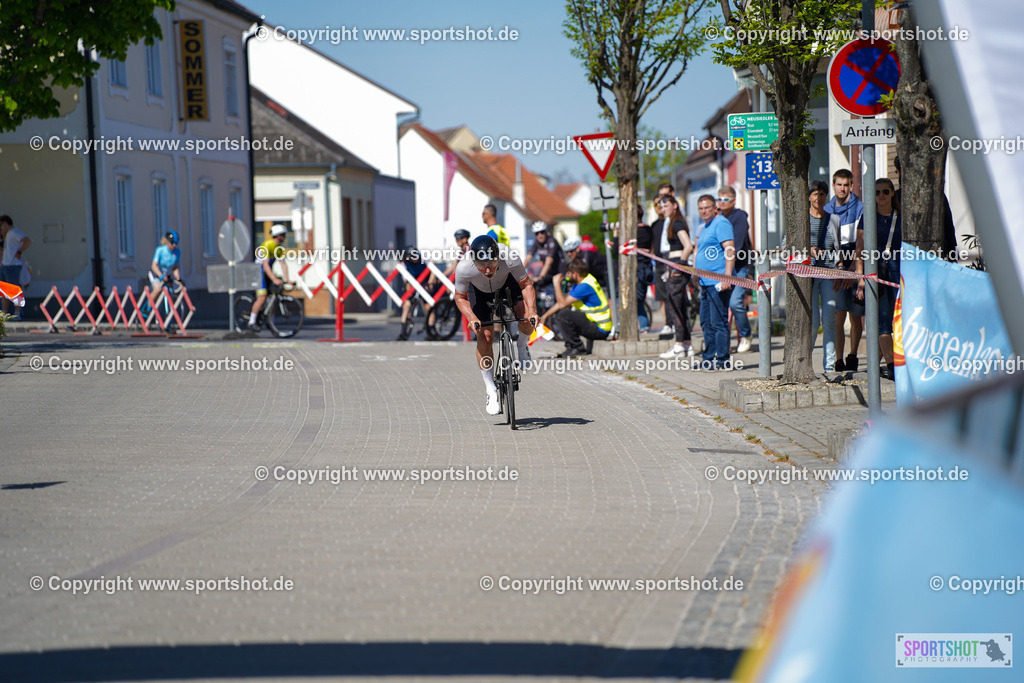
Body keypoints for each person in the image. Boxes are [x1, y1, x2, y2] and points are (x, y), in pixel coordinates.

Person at [453, 235, 538, 415]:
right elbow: (460, 297)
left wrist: (531, 310)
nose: (488, 268)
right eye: (482, 265)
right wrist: (471, 318)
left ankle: (522, 345)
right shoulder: (464, 267)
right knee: (485, 336)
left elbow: (526, 285)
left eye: (492, 262)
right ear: (473, 260)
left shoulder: (510, 257)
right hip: (479, 292)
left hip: (507, 283)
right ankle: (490, 389)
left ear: (498, 256)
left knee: (525, 318)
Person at [856, 178, 902, 380]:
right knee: (884, 322)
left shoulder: (902, 217)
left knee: (901, 320)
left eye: (885, 191)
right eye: (876, 193)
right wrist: (860, 278)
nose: (881, 196)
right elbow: (859, 250)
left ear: (893, 193)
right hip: (878, 274)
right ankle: (892, 367)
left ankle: (884, 364)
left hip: (901, 273)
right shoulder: (868, 218)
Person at [825, 169, 864, 372]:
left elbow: (861, 242)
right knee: (838, 313)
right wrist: (839, 266)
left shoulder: (860, 208)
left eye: (846, 185)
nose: (842, 188)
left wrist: (851, 269)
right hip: (836, 266)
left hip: (856, 264)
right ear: (833, 185)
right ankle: (838, 359)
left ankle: (853, 355)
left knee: (855, 315)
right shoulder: (826, 209)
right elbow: (829, 243)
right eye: (839, 184)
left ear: (851, 186)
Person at [693, 195, 735, 369]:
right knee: (706, 322)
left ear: (715, 207)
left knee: (718, 322)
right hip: (705, 282)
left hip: (718, 282)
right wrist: (696, 272)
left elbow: (730, 249)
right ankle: (709, 358)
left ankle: (722, 360)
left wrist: (727, 276)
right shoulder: (705, 226)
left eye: (707, 208)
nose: (704, 211)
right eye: (701, 209)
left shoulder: (721, 223)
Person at [540, 258, 612, 359]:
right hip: (597, 325)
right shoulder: (585, 281)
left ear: (575, 274)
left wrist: (556, 284)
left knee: (564, 314)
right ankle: (572, 347)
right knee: (563, 312)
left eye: (568, 274)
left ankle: (576, 347)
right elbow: (564, 300)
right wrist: (545, 316)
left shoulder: (584, 286)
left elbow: (562, 304)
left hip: (599, 329)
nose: (566, 276)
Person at [893, 155, 957, 261]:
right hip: (934, 253)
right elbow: (948, 227)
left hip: (904, 256)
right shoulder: (936, 194)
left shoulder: (897, 197)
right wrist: (952, 255)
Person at [655, 195, 695, 358]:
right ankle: (686, 344)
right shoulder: (672, 222)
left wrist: (679, 266)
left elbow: (688, 246)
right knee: (680, 304)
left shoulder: (677, 222)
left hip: (677, 265)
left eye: (666, 206)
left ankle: (679, 344)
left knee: (674, 305)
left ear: (675, 206)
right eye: (661, 207)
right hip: (673, 264)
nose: (663, 209)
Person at [717, 186, 754, 353]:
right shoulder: (718, 217)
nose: (722, 202)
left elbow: (736, 247)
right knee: (721, 306)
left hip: (739, 267)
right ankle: (724, 343)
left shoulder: (739, 218)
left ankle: (746, 334)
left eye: (726, 199)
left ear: (733, 200)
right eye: (719, 199)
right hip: (721, 267)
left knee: (735, 302)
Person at [808, 180, 839, 374]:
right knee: (812, 323)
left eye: (821, 194)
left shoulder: (834, 219)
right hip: (808, 274)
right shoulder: (801, 219)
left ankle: (829, 366)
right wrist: (807, 250)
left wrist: (840, 266)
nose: (818, 198)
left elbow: (838, 248)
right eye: (814, 194)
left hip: (828, 272)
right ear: (809, 196)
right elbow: (786, 245)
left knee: (829, 320)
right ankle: (805, 365)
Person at [249, 224, 288, 330]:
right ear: (278, 235)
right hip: (258, 272)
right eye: (283, 235)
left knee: (274, 297)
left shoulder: (279, 248)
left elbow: (283, 264)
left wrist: (287, 279)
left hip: (267, 272)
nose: (285, 237)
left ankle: (270, 321)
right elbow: (265, 265)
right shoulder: (267, 245)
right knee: (262, 297)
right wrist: (274, 279)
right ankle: (252, 321)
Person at [397, 249, 436, 341]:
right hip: (412, 283)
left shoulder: (424, 259)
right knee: (407, 305)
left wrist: (430, 282)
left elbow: (433, 270)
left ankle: (431, 330)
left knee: (428, 307)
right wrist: (409, 289)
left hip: (425, 283)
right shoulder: (404, 264)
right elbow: (405, 279)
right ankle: (403, 331)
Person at [651, 183, 674, 334]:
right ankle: (667, 323)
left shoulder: (673, 219)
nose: (661, 205)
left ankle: (673, 323)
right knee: (661, 295)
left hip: (671, 261)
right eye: (657, 203)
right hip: (659, 262)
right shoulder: (655, 224)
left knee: (672, 294)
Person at [1, 215, 31, 319]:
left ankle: (17, 313)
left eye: (1, 225)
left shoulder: (14, 232)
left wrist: (19, 252)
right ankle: (4, 313)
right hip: (5, 265)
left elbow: (27, 241)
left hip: (13, 266)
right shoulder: (8, 234)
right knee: (4, 291)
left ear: (5, 223)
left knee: (14, 290)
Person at [145, 230, 182, 315]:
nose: (174, 245)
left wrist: (179, 279)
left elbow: (175, 268)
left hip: (166, 275)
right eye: (172, 243)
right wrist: (161, 276)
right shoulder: (160, 250)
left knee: (170, 292)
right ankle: (148, 309)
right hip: (156, 273)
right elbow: (154, 266)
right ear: (167, 242)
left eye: (176, 243)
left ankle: (164, 317)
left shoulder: (177, 252)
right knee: (158, 289)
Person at [525, 222, 564, 291]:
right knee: (533, 286)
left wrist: (541, 277)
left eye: (542, 232)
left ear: (546, 232)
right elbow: (528, 258)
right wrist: (518, 273)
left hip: (559, 271)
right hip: (549, 272)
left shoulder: (551, 241)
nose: (540, 235)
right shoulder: (537, 242)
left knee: (557, 293)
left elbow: (549, 261)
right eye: (537, 233)